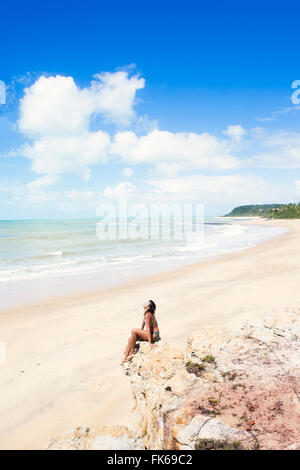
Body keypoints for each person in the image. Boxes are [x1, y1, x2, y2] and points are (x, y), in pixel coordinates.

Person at [121, 300, 160, 365]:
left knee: (133, 330)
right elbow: (142, 326)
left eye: (147, 303)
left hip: (155, 336)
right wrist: (138, 335)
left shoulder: (148, 314)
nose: (145, 302)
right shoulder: (146, 313)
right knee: (131, 338)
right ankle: (125, 358)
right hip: (152, 333)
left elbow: (148, 328)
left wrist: (150, 343)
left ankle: (133, 351)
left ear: (148, 307)